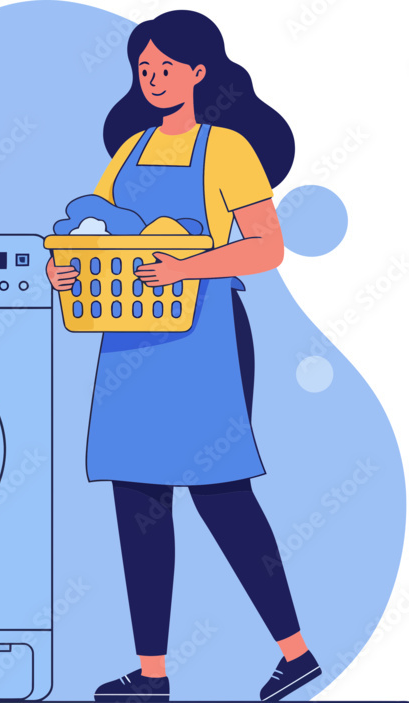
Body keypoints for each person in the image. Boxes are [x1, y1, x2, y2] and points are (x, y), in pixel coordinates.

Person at [46, 10, 320, 702]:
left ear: (200, 72)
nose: (153, 78)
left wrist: (184, 268)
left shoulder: (227, 149)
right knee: (137, 500)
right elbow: (96, 233)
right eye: (143, 68)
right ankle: (152, 673)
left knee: (222, 494)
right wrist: (66, 271)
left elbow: (266, 246)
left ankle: (296, 652)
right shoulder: (129, 150)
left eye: (166, 67)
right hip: (129, 337)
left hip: (205, 338)